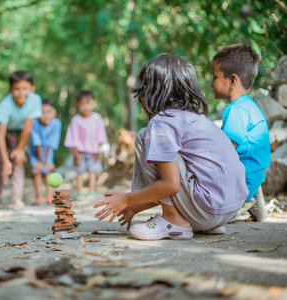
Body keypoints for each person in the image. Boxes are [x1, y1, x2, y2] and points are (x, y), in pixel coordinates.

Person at [93, 54, 248, 240]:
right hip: (230, 211)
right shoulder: (197, 120)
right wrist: (134, 206)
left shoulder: (162, 122)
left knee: (143, 137)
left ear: (146, 92)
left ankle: (174, 221)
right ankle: (204, 224)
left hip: (207, 210)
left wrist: (126, 198)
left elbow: (170, 185)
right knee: (167, 157)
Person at [211, 44, 270, 222]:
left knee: (210, 216)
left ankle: (243, 204)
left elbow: (226, 150)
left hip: (242, 180)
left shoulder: (236, 110)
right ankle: (252, 199)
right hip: (255, 173)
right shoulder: (247, 105)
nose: (211, 83)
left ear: (232, 80)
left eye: (215, 77)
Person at [0, 70, 42, 209]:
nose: (21, 93)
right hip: (1, 130)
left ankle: (16, 198)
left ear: (32, 89)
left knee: (18, 161)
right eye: (17, 89)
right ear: (10, 90)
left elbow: (28, 127)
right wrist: (5, 160)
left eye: (25, 89)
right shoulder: (5, 105)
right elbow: (0, 134)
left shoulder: (35, 100)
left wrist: (19, 149)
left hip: (19, 131)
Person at [64, 90, 108, 199]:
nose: (85, 107)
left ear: (93, 103)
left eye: (88, 104)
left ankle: (92, 191)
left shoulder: (97, 118)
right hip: (80, 152)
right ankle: (80, 192)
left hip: (93, 151)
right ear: (78, 105)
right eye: (82, 104)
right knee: (79, 172)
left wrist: (98, 150)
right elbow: (73, 137)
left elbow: (100, 135)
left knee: (92, 172)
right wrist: (75, 154)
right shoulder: (76, 120)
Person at [29, 98, 62, 204]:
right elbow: (37, 143)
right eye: (42, 113)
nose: (46, 115)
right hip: (34, 151)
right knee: (37, 171)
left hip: (48, 150)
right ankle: (39, 196)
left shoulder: (56, 123)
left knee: (48, 171)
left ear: (54, 112)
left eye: (49, 112)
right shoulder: (33, 122)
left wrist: (47, 162)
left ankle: (49, 196)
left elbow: (51, 143)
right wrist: (40, 161)